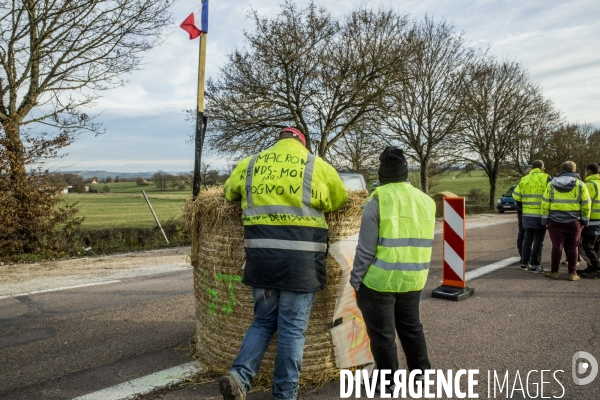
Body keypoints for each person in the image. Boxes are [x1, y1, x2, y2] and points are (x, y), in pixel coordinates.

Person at [219, 127, 348, 400]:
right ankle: (285, 395)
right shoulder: (316, 165)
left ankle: (240, 377)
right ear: (301, 143)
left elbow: (229, 192)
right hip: (300, 262)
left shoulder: (251, 163)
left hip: (262, 259)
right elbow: (340, 199)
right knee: (291, 328)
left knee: (263, 322)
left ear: (277, 142)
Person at [350, 146, 436, 391]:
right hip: (413, 278)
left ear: (381, 174)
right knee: (411, 327)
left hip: (379, 281)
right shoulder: (426, 201)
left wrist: (356, 281)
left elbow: (365, 250)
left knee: (383, 334)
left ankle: (387, 381)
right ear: (405, 173)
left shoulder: (376, 200)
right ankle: (420, 374)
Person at [541, 161, 591, 281]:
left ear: (561, 170)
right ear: (574, 170)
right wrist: (585, 221)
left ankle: (554, 272)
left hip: (555, 220)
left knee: (556, 246)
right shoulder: (580, 185)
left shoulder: (551, 184)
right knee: (573, 247)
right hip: (574, 221)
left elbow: (545, 203)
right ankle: (572, 273)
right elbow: (586, 204)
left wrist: (545, 220)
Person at [512, 161, 551, 273]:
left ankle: (524, 263)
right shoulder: (547, 178)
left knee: (527, 239)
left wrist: (523, 207)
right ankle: (535, 264)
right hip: (540, 214)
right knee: (538, 240)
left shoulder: (524, 179)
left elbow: (516, 195)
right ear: (543, 168)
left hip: (527, 214)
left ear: (532, 168)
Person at [578, 163, 600, 279]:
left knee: (587, 245)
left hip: (593, 220)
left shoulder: (590, 185)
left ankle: (597, 268)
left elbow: (587, 204)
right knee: (596, 246)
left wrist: (583, 219)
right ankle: (592, 268)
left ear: (589, 171)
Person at [515, 165, 533, 269]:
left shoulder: (522, 182)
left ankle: (525, 258)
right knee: (526, 235)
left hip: (524, 213)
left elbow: (517, 197)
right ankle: (526, 257)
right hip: (529, 213)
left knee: (524, 235)